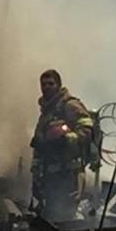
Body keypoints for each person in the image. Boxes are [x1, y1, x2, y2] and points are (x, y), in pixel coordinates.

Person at [29, 69, 93, 220]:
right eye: (43, 84)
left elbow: (87, 128)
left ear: (58, 85)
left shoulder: (70, 105)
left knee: (64, 217)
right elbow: (39, 148)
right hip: (49, 178)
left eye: (50, 83)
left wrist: (66, 139)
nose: (46, 87)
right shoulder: (46, 113)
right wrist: (36, 177)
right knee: (50, 218)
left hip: (68, 176)